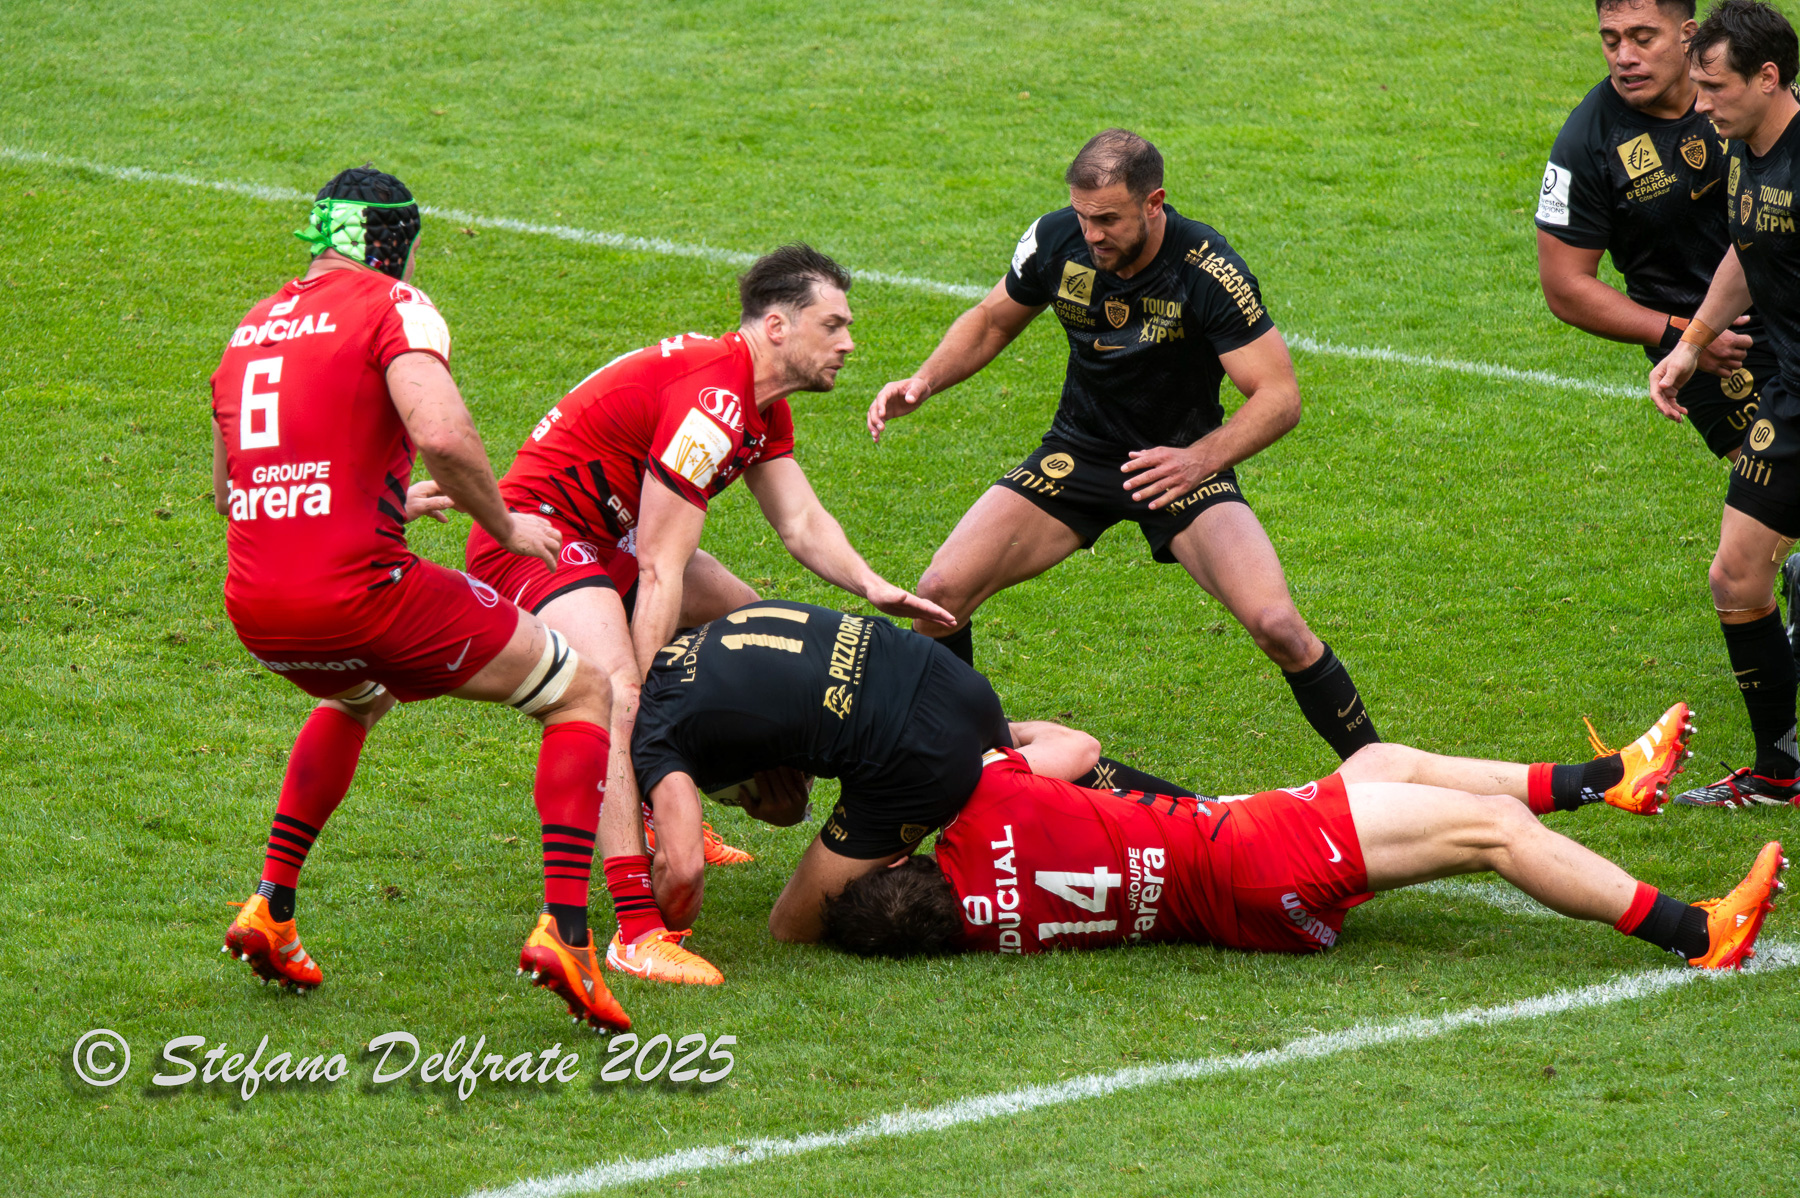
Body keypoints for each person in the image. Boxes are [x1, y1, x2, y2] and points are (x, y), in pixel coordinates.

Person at [460, 249, 955, 984]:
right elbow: (661, 566)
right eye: (835, 324)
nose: (849, 343)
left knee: (750, 630)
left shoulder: (759, 403)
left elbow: (801, 523)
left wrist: (872, 585)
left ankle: (676, 789)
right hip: (542, 540)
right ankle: (634, 928)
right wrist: (638, 693)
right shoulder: (713, 402)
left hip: (609, 540)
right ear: (779, 325)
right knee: (614, 695)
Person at [210, 166, 630, 1032]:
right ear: (394, 240)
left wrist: (382, 502)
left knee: (361, 694)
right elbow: (440, 432)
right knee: (584, 688)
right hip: (358, 595)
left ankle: (271, 906)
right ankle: (568, 932)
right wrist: (508, 526)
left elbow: (233, 491)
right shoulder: (392, 306)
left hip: (257, 608)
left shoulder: (251, 327)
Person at [866, 129, 1379, 761]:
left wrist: (1200, 459)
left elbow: (1278, 397)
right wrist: (925, 379)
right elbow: (992, 319)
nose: (1092, 234)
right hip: (1080, 453)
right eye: (1083, 217)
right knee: (940, 594)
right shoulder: (1058, 238)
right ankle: (967, 771)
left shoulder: (1208, 269)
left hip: (1183, 466)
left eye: (1107, 219)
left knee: (1279, 628)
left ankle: (1382, 775)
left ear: (1154, 203)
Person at [818, 704, 1786, 973]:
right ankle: (1696, 933)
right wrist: (1002, 733)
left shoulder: (985, 929)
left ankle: (1607, 780)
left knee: (1381, 762)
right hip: (1254, 850)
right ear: (901, 862)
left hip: (1242, 903)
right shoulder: (987, 804)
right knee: (1493, 832)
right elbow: (1075, 746)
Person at [630, 600, 1014, 946]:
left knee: (790, 926)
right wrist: (788, 810)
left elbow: (681, 870)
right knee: (1009, 779)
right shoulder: (705, 628)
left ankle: (929, 881)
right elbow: (793, 693)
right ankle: (1029, 744)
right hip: (954, 678)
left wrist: (652, 933)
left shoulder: (653, 734)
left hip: (920, 757)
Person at [1649, 1, 1800, 807]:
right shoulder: (1749, 150)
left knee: (1741, 573)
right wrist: (1690, 343)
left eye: (1714, 86)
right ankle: (1778, 773)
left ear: (1768, 77)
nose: (1700, 104)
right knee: (1736, 577)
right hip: (1789, 398)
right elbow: (1749, 248)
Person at [1537, 0, 1775, 460]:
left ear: (1688, 34)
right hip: (1718, 350)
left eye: (1643, 39)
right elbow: (1564, 285)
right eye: (1611, 41)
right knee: (1776, 490)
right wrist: (1680, 337)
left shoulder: (1742, 90)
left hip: (1786, 299)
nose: (1625, 56)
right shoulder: (1586, 143)